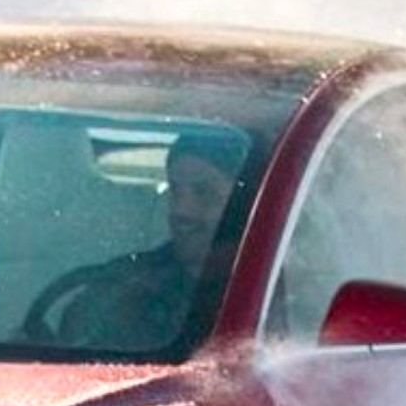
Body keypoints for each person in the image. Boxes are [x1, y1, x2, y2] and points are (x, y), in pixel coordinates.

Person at [21, 134, 242, 352]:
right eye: (174, 190)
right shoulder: (123, 285)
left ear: (245, 203)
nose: (181, 210)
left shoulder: (270, 290)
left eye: (204, 192)